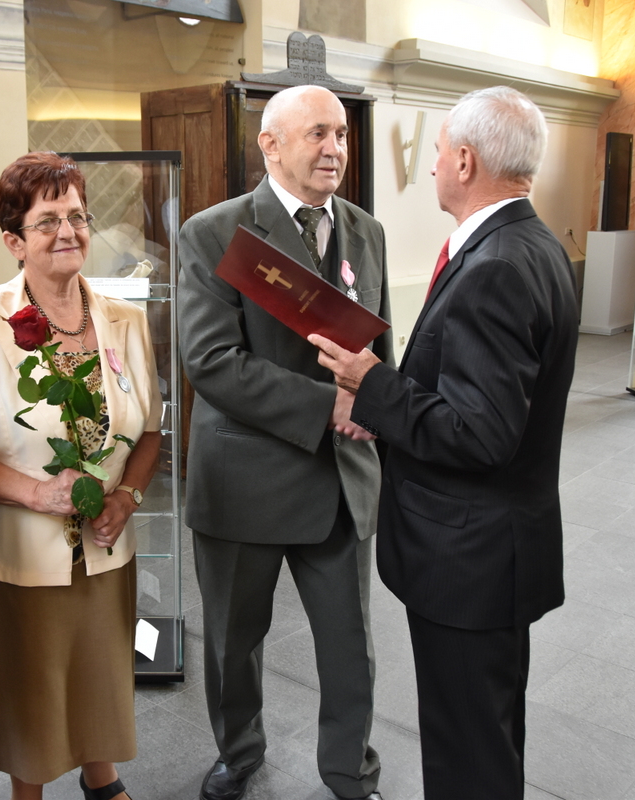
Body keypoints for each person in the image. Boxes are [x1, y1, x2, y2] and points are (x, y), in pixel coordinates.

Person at [310, 86, 578, 800]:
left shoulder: (495, 266)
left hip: (469, 558)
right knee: (486, 734)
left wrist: (373, 383)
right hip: (492, 553)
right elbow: (473, 399)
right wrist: (389, 410)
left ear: (464, 160)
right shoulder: (532, 244)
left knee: (467, 754)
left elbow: (481, 433)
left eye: (437, 154)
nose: (432, 167)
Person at [177, 84, 393, 800]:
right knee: (234, 643)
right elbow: (211, 364)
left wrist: (377, 403)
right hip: (246, 479)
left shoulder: (367, 230)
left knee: (350, 648)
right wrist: (330, 405)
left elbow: (378, 347)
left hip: (339, 477)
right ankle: (239, 754)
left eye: (340, 134)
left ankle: (350, 772)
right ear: (269, 144)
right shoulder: (215, 233)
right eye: (317, 135)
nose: (335, 148)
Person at [0, 152, 162, 800]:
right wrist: (38, 492)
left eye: (77, 216)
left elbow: (148, 431)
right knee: (29, 694)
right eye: (47, 221)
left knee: (100, 679)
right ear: (14, 240)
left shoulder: (126, 319)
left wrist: (127, 495)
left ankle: (104, 783)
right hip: (16, 557)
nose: (68, 232)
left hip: (103, 548)